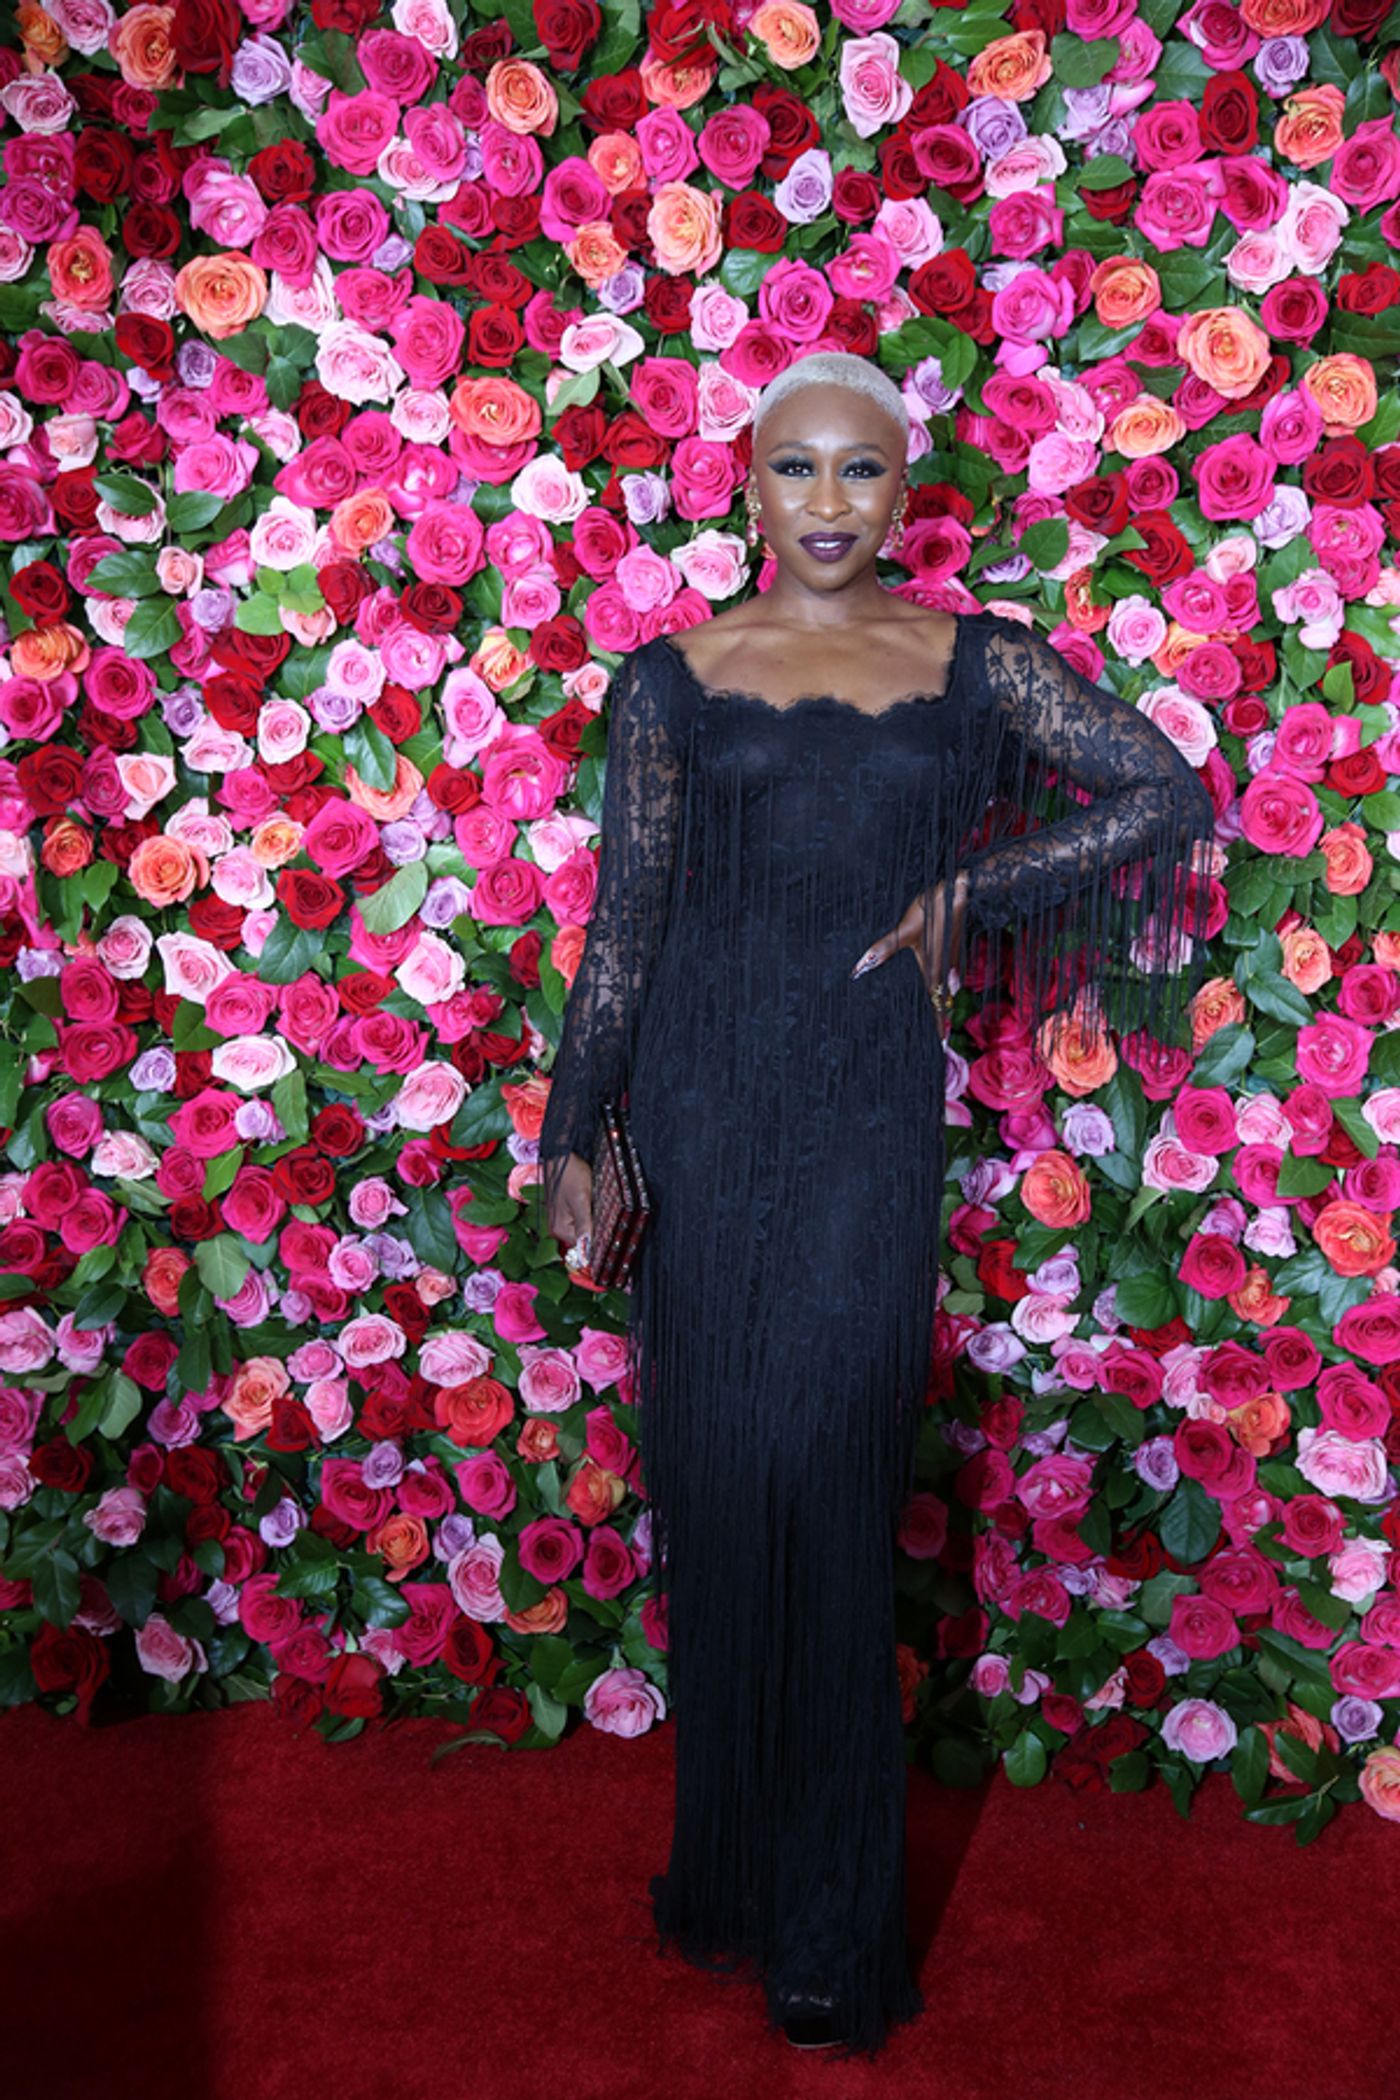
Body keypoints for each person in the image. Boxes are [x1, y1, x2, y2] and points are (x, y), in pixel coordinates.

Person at [535, 349, 1216, 2058]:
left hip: (854, 1132)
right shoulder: (672, 681)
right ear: (747, 486)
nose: (828, 503)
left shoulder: (978, 665)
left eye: (861, 473)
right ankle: (737, 1884)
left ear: (905, 491)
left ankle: (833, 1940)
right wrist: (572, 1137)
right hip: (695, 1120)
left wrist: (973, 889)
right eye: (796, 471)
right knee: (720, 1485)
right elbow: (627, 928)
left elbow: (1165, 791)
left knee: (828, 1487)